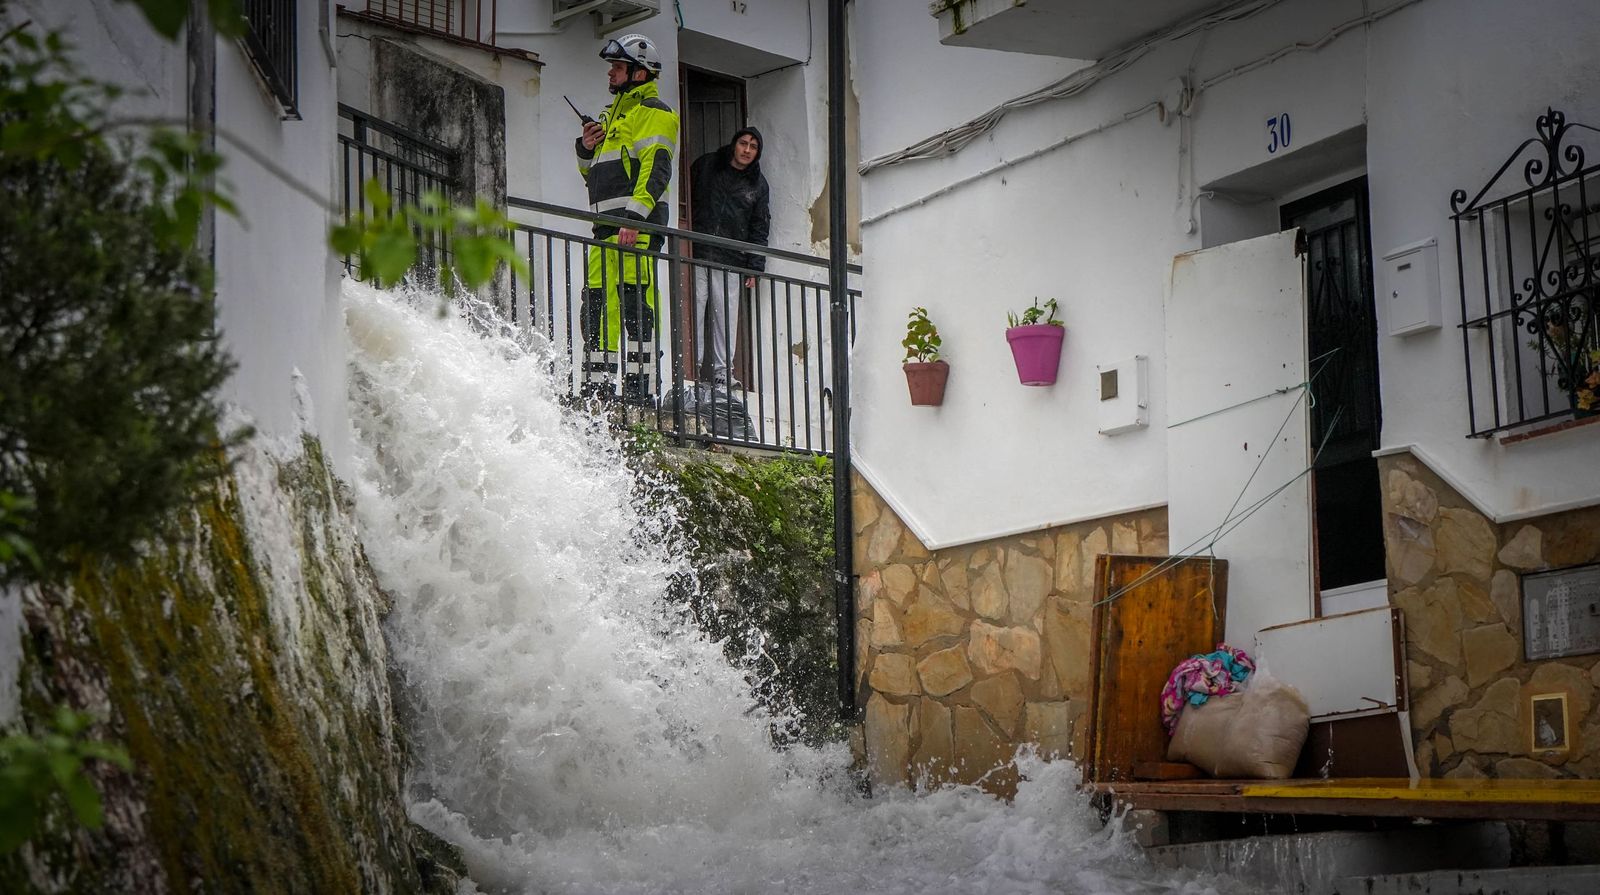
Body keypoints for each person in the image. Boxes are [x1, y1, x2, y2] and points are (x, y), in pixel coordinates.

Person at [575, 33, 679, 402]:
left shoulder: (655, 114)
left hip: (636, 231)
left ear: (639, 73)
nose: (611, 74)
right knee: (599, 305)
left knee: (637, 305)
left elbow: (656, 172)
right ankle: (598, 389)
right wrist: (585, 148)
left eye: (618, 67)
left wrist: (634, 220)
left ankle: (641, 391)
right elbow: (592, 175)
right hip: (604, 230)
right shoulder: (610, 117)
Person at [688, 127, 770, 391]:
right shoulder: (708, 165)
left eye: (753, 146)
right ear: (734, 144)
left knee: (725, 318)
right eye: (743, 143)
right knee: (694, 311)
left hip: (731, 258)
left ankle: (723, 373)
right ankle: (694, 369)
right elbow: (688, 194)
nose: (747, 150)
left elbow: (760, 225)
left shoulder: (758, 184)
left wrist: (755, 266)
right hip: (697, 251)